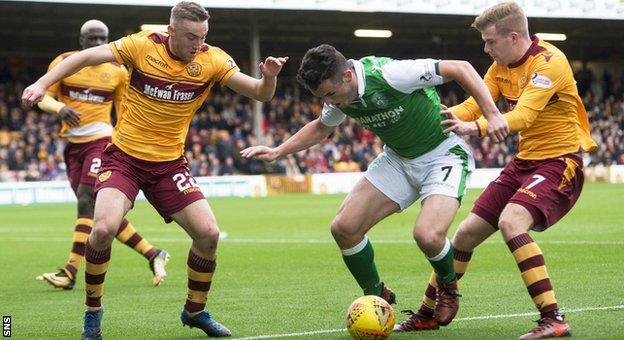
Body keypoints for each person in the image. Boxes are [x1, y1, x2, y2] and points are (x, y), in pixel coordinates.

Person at [22, 2, 287, 339]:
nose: (197, 45)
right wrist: (43, 84)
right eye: (190, 37)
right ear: (171, 30)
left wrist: (270, 78)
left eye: (202, 37)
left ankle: (195, 311)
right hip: (124, 158)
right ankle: (93, 314)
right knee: (102, 228)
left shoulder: (213, 60)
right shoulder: (142, 45)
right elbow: (83, 58)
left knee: (208, 235)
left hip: (169, 164)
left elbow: (259, 94)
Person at [241, 44, 507, 326]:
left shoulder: (390, 74)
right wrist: (278, 151)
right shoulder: (337, 97)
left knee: (427, 236)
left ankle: (449, 288)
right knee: (344, 228)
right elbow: (321, 127)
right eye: (323, 97)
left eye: (330, 94)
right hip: (398, 160)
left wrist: (491, 114)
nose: (331, 102)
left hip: (442, 154)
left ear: (347, 75)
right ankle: (376, 295)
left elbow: (460, 67)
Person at [395, 2, 597, 339]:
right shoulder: (499, 68)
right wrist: (431, 117)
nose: (486, 50)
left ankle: (553, 318)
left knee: (511, 221)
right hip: (524, 163)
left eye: (491, 42)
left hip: (561, 161)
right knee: (464, 235)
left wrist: (475, 128)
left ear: (514, 36)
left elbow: (523, 117)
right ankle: (428, 313)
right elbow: (474, 104)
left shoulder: (550, 63)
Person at [36, 19, 170, 290]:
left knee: (86, 201)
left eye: (102, 39)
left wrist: (126, 143)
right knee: (98, 214)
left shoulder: (118, 71)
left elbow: (123, 111)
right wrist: (59, 109)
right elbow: (42, 96)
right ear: (82, 40)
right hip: (72, 146)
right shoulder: (64, 62)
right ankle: (153, 253)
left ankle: (70, 271)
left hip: (101, 142)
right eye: (92, 39)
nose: (97, 43)